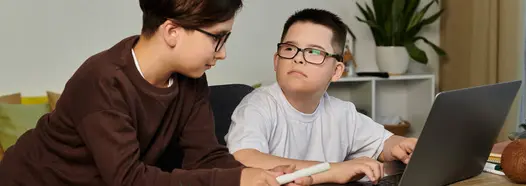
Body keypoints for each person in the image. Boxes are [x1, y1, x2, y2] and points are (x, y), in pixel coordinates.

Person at [0, 0, 311, 186]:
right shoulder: (103, 80)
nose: (223, 53)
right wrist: (237, 180)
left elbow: (204, 156)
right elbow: (129, 180)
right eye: (217, 38)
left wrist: (257, 174)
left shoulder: (191, 81)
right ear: (172, 31)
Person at [225, 8, 419, 185]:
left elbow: (382, 143)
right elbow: (243, 158)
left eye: (314, 52)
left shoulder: (342, 113)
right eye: (290, 49)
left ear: (336, 71)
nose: (298, 58)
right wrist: (333, 170)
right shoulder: (258, 106)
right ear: (277, 61)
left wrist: (400, 145)